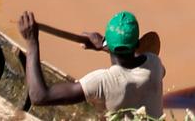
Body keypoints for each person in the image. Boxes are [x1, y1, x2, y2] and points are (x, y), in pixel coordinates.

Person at [18, 8, 166, 117]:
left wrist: (32, 43)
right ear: (138, 44)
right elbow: (136, 58)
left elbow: (39, 96)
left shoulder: (103, 82)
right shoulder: (155, 64)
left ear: (108, 43)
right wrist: (103, 45)